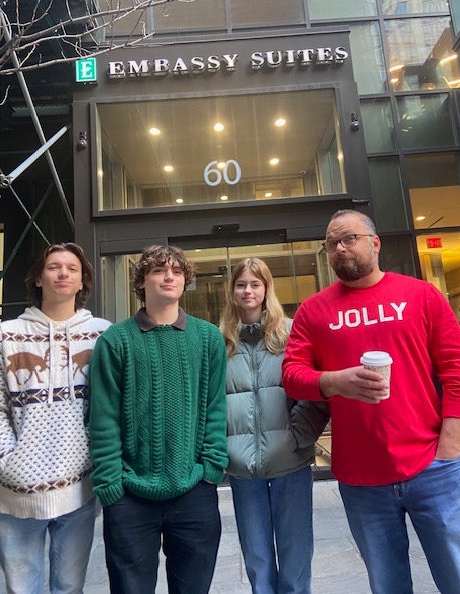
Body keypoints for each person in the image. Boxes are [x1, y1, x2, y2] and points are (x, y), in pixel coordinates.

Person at [282, 209, 460, 594]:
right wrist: (335, 381)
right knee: (387, 585)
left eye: (349, 239)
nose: (340, 248)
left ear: (375, 243)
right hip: (361, 479)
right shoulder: (313, 311)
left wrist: (449, 448)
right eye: (331, 244)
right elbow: (292, 376)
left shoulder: (421, 295)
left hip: (432, 468)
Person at [88, 244, 228, 594]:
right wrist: (111, 486)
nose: (169, 277)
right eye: (158, 270)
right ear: (141, 281)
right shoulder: (115, 341)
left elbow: (215, 408)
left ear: (185, 281)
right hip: (130, 495)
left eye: (177, 272)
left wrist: (211, 470)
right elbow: (103, 419)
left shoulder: (208, 337)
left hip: (194, 489)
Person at [0, 242, 111, 594]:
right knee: (22, 589)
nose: (63, 273)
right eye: (53, 267)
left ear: (82, 282)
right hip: (16, 491)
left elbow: (110, 406)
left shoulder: (103, 334)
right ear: (38, 278)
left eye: (72, 268)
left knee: (69, 586)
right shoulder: (6, 335)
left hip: (79, 488)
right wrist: (7, 461)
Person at [220, 257, 329, 594]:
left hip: (289, 461)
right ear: (232, 291)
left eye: (255, 284)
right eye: (241, 284)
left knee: (296, 554)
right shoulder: (220, 341)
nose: (248, 291)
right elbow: (210, 401)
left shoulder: (292, 333)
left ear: (267, 288)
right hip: (242, 467)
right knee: (257, 558)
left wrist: (298, 436)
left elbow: (316, 390)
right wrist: (225, 446)